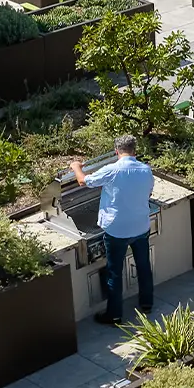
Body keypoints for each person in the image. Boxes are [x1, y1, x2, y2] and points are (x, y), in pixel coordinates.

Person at [71, 134, 154, 326]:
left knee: (114, 272)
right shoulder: (145, 170)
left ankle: (115, 315)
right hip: (141, 227)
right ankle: (147, 304)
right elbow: (148, 192)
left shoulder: (111, 170)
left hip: (117, 230)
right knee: (143, 266)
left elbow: (84, 182)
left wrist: (76, 167)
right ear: (135, 150)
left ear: (116, 151)